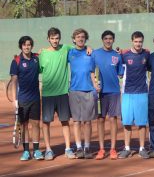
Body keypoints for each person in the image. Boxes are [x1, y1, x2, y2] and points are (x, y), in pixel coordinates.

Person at [39, 27, 91, 160]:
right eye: (52, 39)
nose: (55, 41)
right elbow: (37, 69)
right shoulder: (43, 53)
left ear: (60, 39)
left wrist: (89, 47)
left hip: (62, 93)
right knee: (46, 123)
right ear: (48, 39)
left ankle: (68, 148)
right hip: (47, 94)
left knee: (65, 121)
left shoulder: (66, 49)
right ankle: (48, 149)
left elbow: (80, 46)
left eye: (57, 38)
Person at [9, 36, 44, 161]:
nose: (27, 47)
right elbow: (14, 81)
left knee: (35, 124)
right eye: (24, 45)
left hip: (35, 97)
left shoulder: (36, 58)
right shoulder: (16, 61)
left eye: (29, 44)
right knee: (24, 125)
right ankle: (25, 151)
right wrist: (15, 100)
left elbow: (46, 51)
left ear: (31, 46)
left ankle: (36, 150)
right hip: (22, 99)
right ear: (21, 46)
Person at [91, 30, 123, 160]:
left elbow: (120, 73)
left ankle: (113, 149)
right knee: (100, 120)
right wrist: (95, 84)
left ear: (113, 40)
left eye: (110, 38)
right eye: (106, 38)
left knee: (113, 119)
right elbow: (91, 72)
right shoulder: (95, 53)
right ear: (102, 39)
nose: (108, 41)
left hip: (114, 91)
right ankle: (101, 149)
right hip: (100, 92)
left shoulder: (117, 55)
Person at [118, 31, 150, 159]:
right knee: (127, 122)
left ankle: (142, 148)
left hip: (142, 92)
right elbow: (119, 71)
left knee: (142, 123)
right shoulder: (124, 55)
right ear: (132, 41)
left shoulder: (147, 54)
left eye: (140, 41)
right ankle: (127, 148)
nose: (138, 44)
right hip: (127, 93)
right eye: (136, 41)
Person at [68, 28, 97, 159]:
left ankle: (87, 147)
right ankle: (78, 147)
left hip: (89, 91)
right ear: (74, 39)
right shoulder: (69, 52)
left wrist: (95, 85)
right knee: (76, 121)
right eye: (78, 37)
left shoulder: (91, 53)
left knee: (88, 121)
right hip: (74, 90)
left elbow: (93, 72)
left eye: (83, 37)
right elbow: (56, 50)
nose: (80, 39)